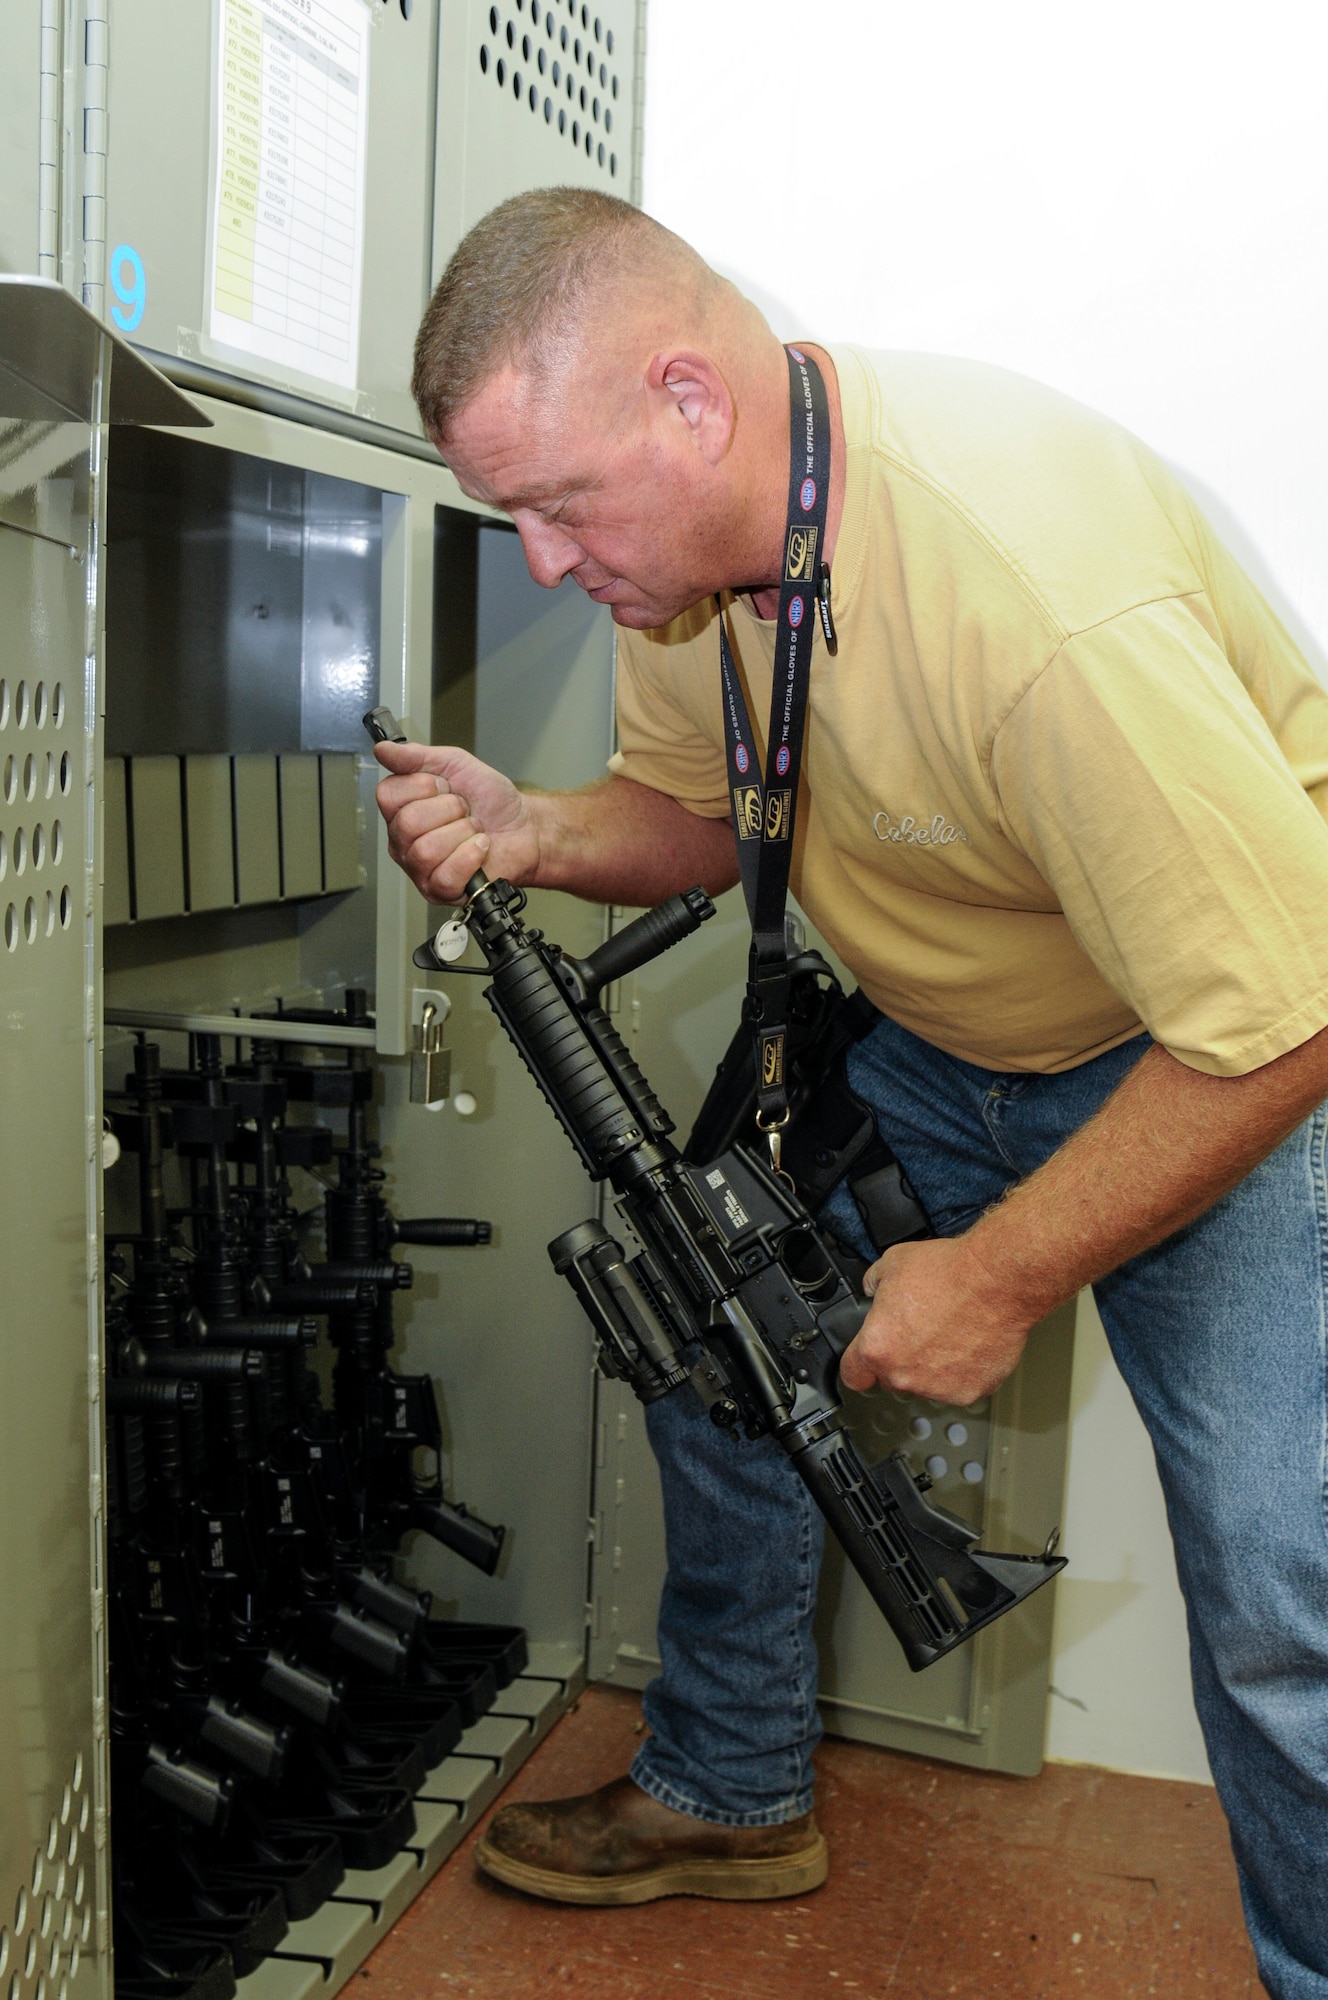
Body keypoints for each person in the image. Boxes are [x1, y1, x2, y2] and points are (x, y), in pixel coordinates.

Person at [376, 187, 1328, 1996]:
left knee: (1291, 1589)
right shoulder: (701, 572)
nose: (544, 566)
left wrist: (1004, 1269)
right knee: (709, 1325)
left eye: (558, 505)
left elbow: (1289, 1014)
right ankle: (733, 1794)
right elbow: (714, 818)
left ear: (690, 399)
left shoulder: (1028, 587)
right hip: (929, 1030)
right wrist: (534, 827)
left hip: (1199, 1047)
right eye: (515, 513)